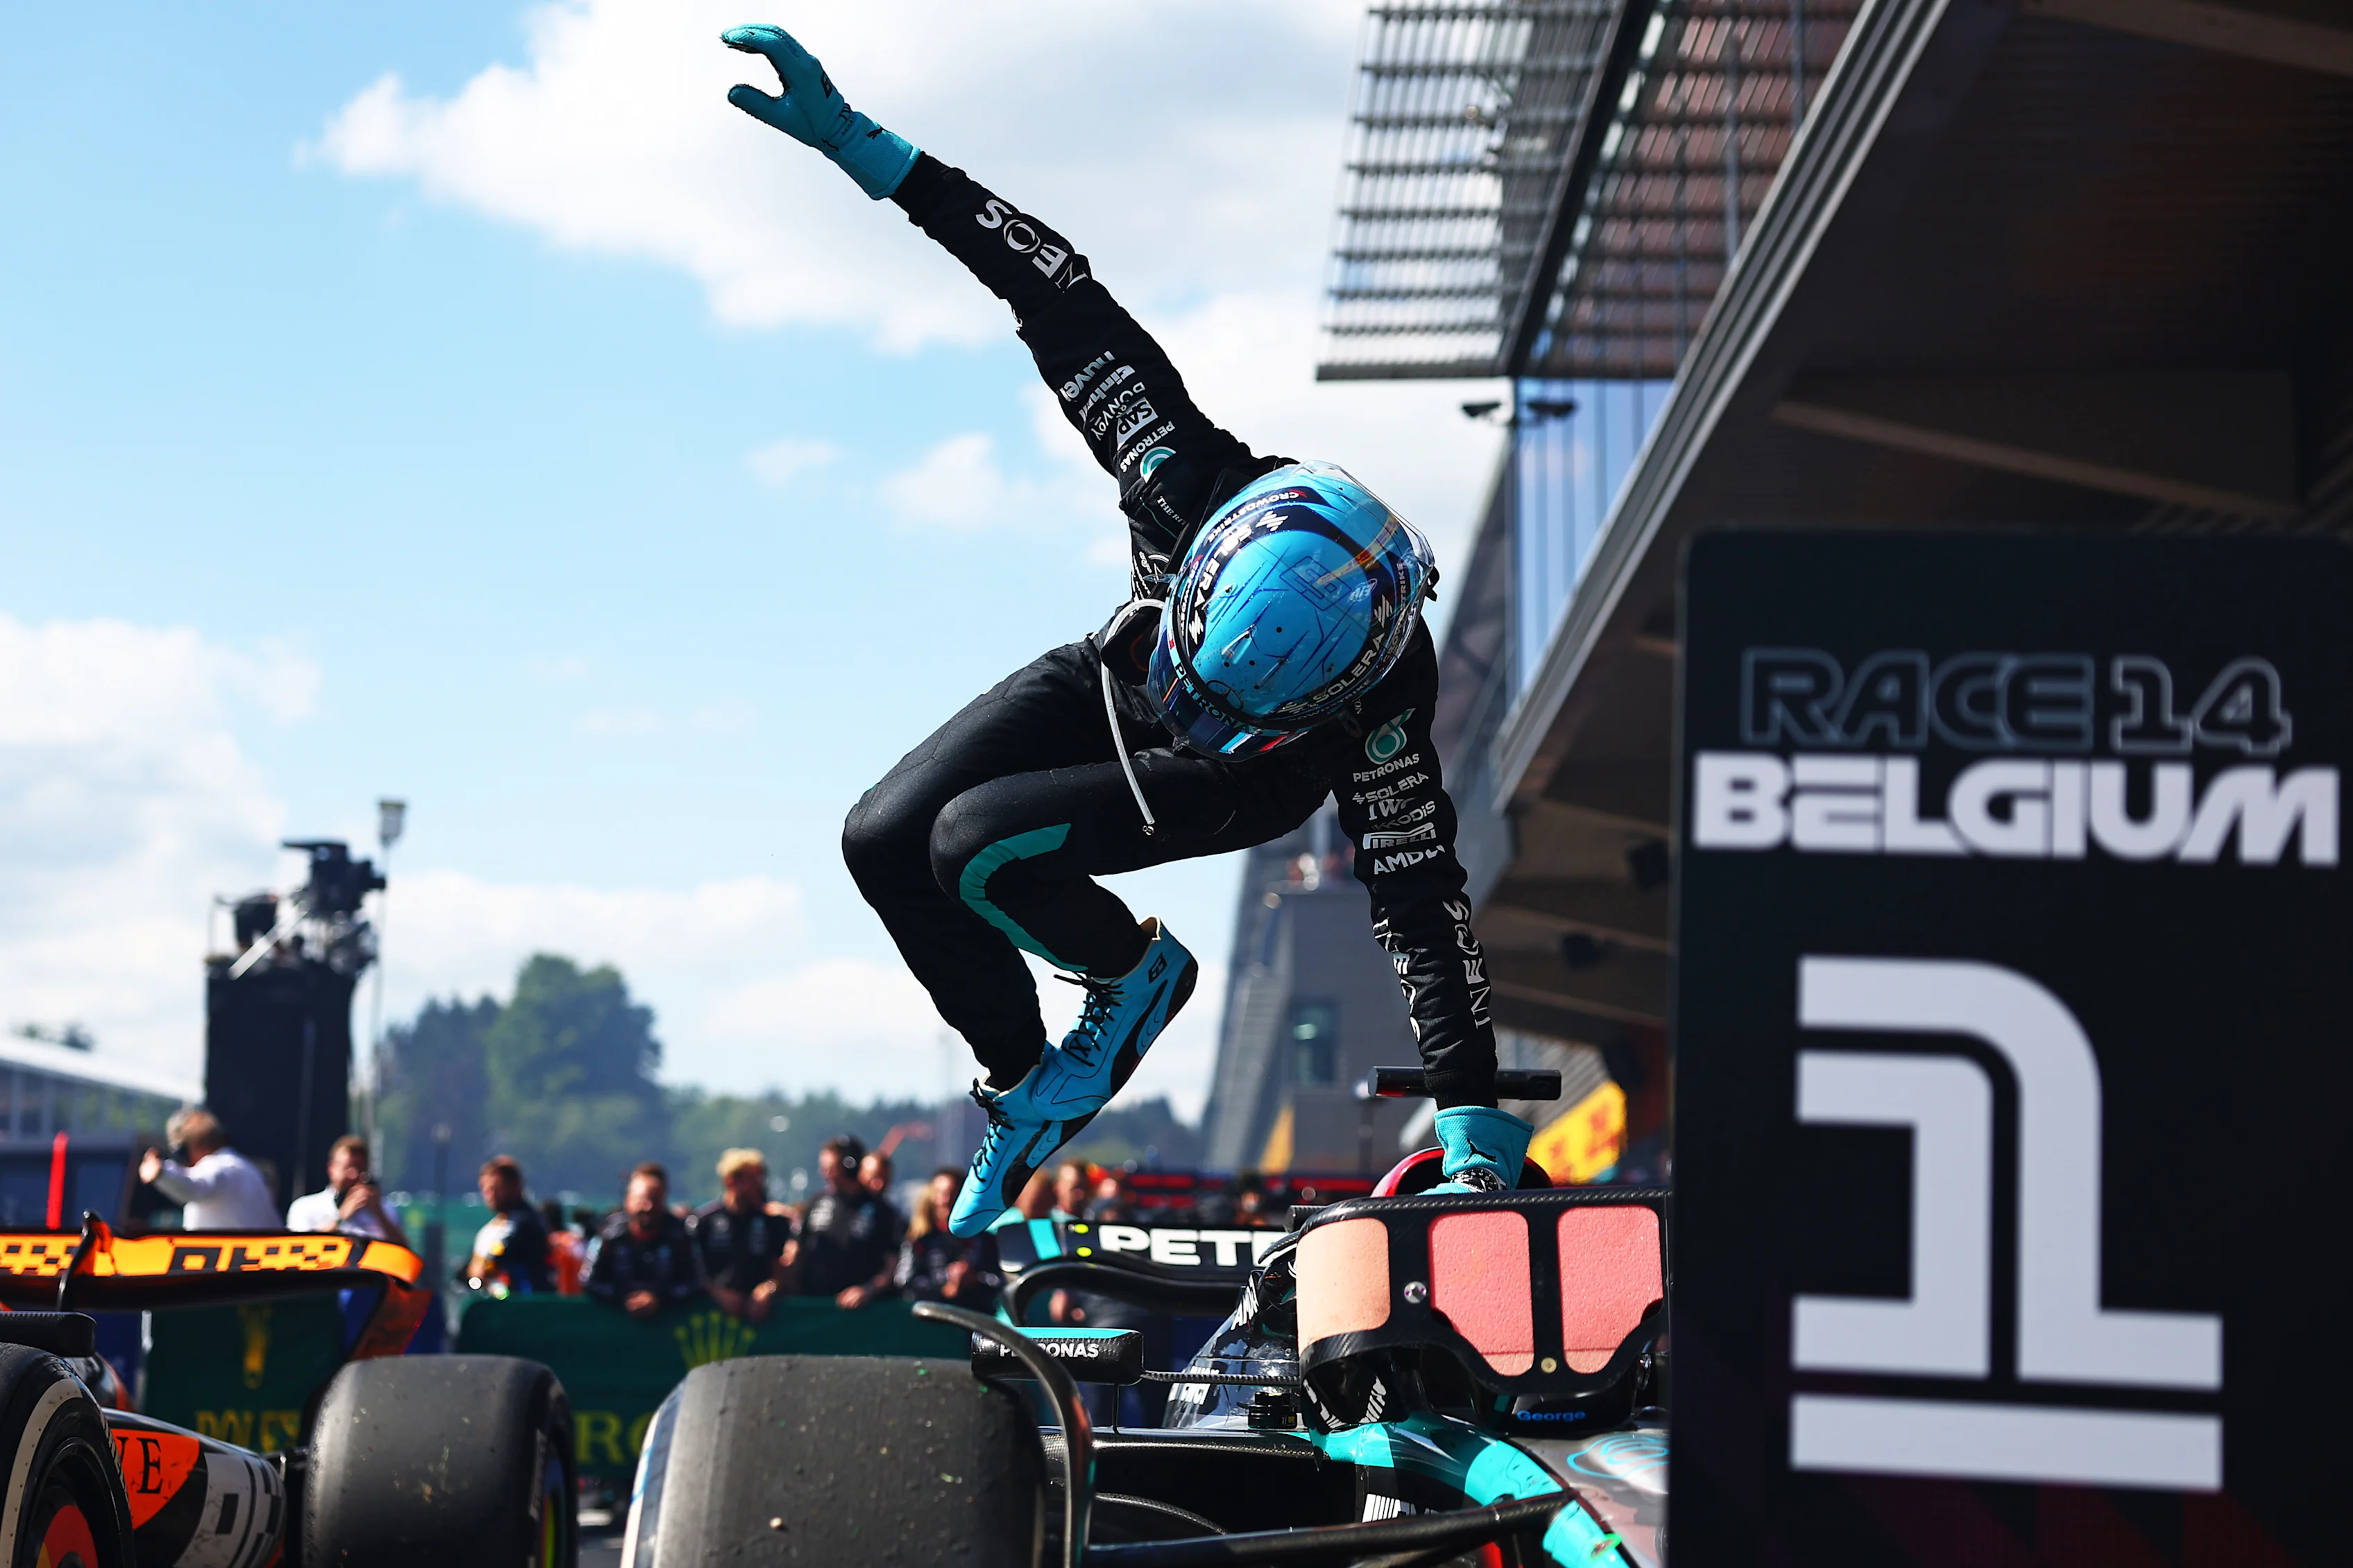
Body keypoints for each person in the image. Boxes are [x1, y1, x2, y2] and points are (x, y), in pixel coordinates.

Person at [721, 24, 1527, 1237]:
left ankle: (1132, 975)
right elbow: (1048, 286)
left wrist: (1469, 1111)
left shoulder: (1383, 693)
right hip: (1114, 674)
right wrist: (862, 147)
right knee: (880, 837)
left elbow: (1420, 894)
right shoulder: (1172, 465)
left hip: (1234, 781)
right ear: (1205, 566)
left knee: (974, 843)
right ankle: (1025, 1084)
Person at [585, 1164, 705, 1322]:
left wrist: (658, 1298)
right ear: (628, 1201)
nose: (648, 1207)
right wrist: (625, 1298)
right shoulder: (609, 1234)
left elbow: (695, 1282)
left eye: (655, 1199)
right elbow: (589, 1281)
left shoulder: (680, 1235)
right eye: (642, 1200)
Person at [796, 1136, 902, 1309]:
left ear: (849, 1166)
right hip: (814, 1305)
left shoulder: (882, 1211)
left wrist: (868, 1290)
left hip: (860, 1311)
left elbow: (892, 1264)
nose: (824, 1173)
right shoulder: (816, 1202)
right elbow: (798, 1249)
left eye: (830, 1168)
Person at [692, 1148, 792, 1324]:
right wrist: (717, 1293)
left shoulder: (772, 1222)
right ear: (731, 1181)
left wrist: (768, 1288)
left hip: (762, 1316)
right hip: (714, 1317)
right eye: (753, 1179)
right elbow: (693, 1269)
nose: (759, 1185)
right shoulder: (704, 1221)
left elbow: (781, 1268)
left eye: (760, 1178)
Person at [140, 1109, 279, 1230]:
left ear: (184, 1150)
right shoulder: (249, 1171)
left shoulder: (217, 1167)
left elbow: (193, 1187)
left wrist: (161, 1172)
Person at [896, 1169, 1002, 1310]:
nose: (946, 1200)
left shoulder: (983, 1240)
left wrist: (973, 1279)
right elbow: (904, 1281)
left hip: (977, 1318)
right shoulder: (919, 1240)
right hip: (931, 1320)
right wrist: (944, 1287)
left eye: (953, 1193)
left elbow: (1000, 1281)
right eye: (941, 1193)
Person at [285, 1135, 409, 1244]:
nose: (354, 1174)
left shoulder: (385, 1209)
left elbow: (404, 1252)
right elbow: (298, 1247)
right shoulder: (304, 1207)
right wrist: (341, 1217)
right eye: (348, 1167)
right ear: (331, 1168)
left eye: (360, 1168)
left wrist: (379, 1214)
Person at [468, 1155, 554, 1294]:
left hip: (523, 1303)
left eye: (497, 1188)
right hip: (494, 1304)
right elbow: (471, 1271)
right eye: (486, 1190)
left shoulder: (527, 1222)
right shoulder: (490, 1229)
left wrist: (485, 1270)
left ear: (515, 1186)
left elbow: (501, 1255)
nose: (491, 1195)